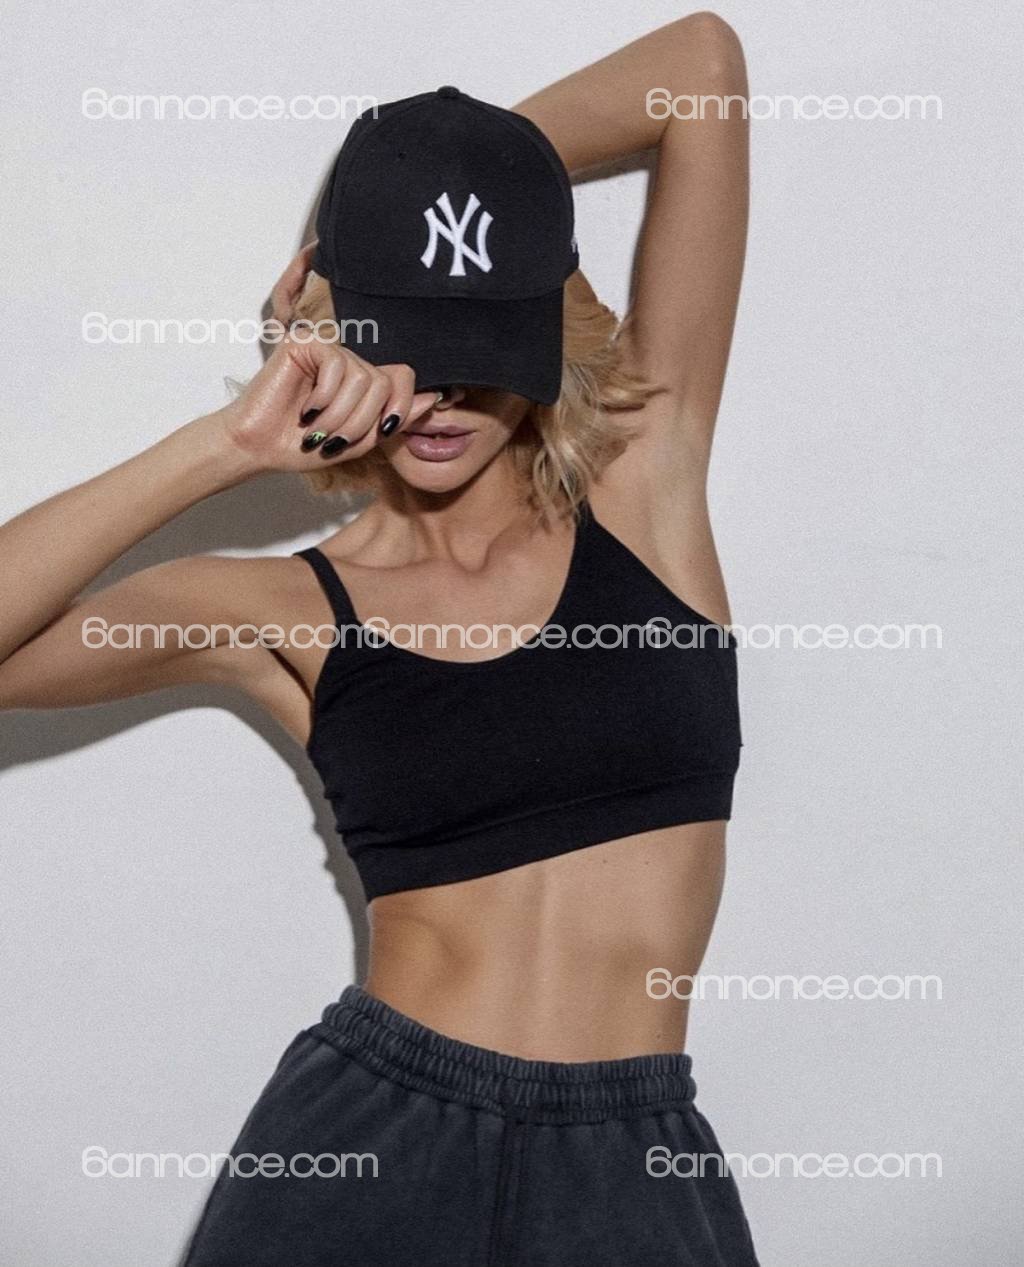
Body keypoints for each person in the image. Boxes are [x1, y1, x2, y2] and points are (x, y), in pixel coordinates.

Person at [0, 14, 756, 1266]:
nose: (440, 398)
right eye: (405, 346)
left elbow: (701, 69)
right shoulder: (284, 611)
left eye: (475, 347)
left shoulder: (645, 491)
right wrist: (222, 446)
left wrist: (458, 209)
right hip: (369, 1140)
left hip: (630, 1159)